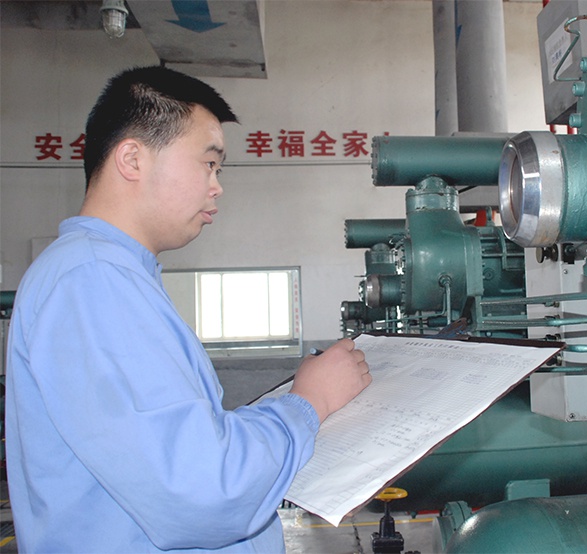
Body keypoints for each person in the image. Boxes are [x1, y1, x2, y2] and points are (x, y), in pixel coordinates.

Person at [4, 66, 372, 552]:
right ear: (132, 159)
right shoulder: (92, 280)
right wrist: (309, 402)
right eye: (209, 163)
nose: (217, 186)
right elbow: (202, 490)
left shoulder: (113, 275)